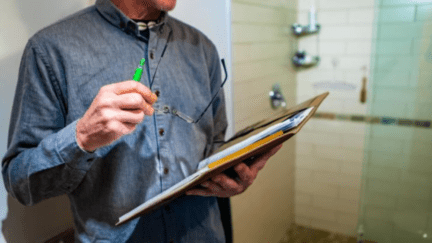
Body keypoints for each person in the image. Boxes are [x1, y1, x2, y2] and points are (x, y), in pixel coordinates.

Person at [1, 0, 282, 242]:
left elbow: (216, 143)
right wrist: (81, 138)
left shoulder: (202, 48)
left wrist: (232, 176)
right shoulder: (49, 50)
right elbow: (20, 183)